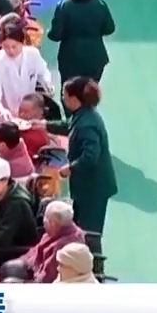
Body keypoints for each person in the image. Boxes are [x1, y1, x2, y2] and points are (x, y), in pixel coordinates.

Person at [37, 77, 117, 236]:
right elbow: (68, 125)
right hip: (87, 186)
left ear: (74, 99)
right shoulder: (83, 114)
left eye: (65, 96)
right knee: (79, 223)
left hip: (93, 188)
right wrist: (43, 125)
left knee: (89, 231)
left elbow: (90, 155)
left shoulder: (87, 125)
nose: (63, 99)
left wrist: (70, 168)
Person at [0, 19, 52, 153]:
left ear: (22, 42)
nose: (11, 51)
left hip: (24, 113)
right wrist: (0, 109)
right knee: (1, 151)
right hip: (3, 115)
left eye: (14, 46)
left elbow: (43, 72)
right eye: (6, 47)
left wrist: (47, 84)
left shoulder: (33, 55)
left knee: (24, 149)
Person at [48, 0, 116, 84]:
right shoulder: (100, 4)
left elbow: (55, 35)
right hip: (96, 57)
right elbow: (110, 28)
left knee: (70, 91)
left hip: (70, 58)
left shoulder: (64, 6)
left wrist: (49, 32)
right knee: (90, 91)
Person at [14, 200, 87, 283]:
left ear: (53, 223)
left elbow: (47, 278)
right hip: (32, 270)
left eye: (45, 218)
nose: (43, 222)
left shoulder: (64, 246)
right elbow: (33, 253)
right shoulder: (52, 233)